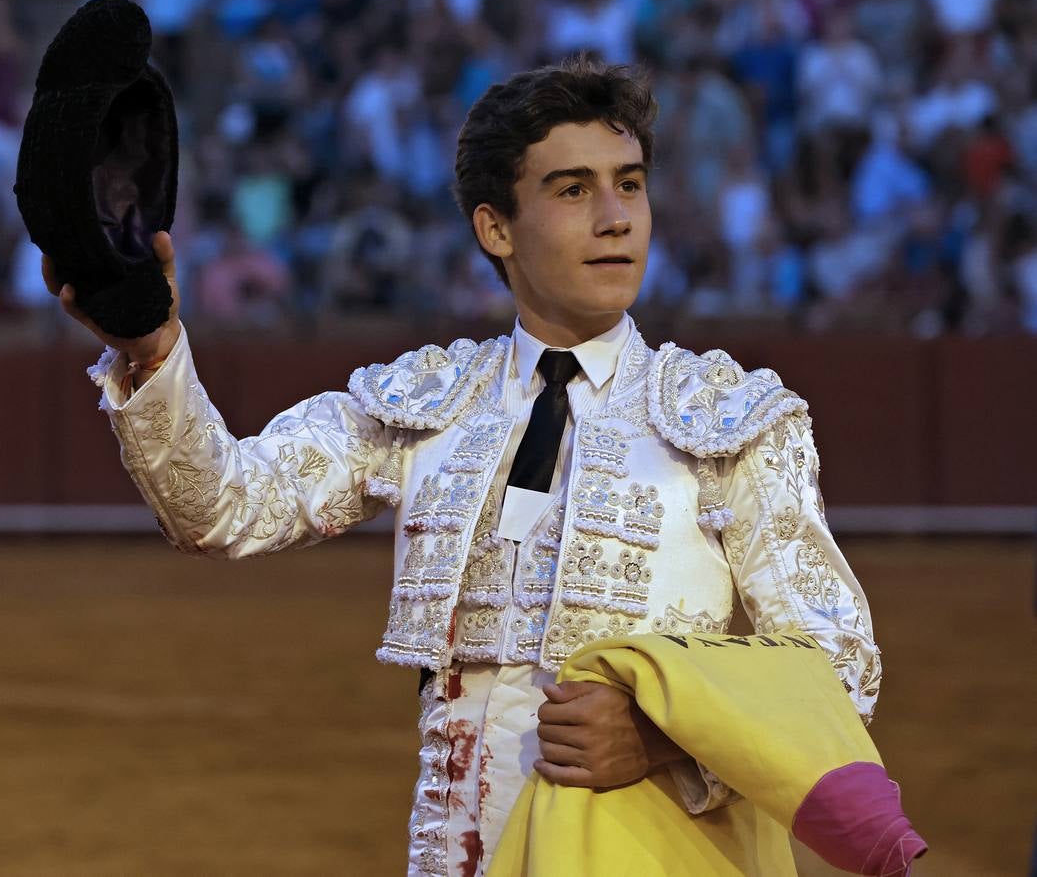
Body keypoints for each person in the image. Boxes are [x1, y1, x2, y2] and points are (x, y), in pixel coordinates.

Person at [45, 56, 880, 876]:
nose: (616, 216)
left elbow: (838, 665)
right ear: (495, 228)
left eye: (629, 183)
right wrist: (152, 353)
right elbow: (223, 507)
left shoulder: (729, 420)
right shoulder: (425, 404)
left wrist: (668, 738)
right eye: (572, 189)